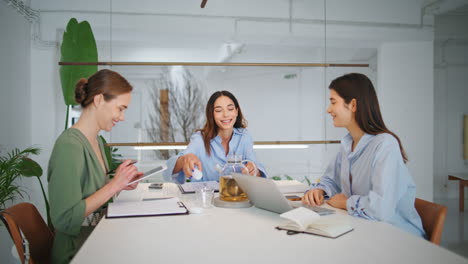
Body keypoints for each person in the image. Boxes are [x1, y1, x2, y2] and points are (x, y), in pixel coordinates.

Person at [302, 73, 425, 238]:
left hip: (396, 235)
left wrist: (346, 203)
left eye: (333, 102)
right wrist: (319, 190)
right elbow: (331, 179)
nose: (328, 109)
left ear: (352, 105)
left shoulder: (385, 145)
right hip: (364, 228)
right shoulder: (347, 145)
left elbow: (381, 208)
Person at [48, 69, 143, 263]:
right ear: (99, 100)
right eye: (120, 108)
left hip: (96, 237)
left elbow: (92, 190)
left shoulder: (97, 141)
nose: (122, 117)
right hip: (76, 251)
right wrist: (113, 186)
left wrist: (120, 183)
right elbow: (64, 218)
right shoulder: (69, 145)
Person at [163, 90, 266, 183]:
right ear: (211, 114)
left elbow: (256, 169)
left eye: (230, 109)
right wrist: (183, 160)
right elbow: (167, 170)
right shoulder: (200, 139)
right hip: (206, 200)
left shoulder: (244, 137)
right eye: (218, 110)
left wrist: (254, 171)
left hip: (235, 198)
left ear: (236, 112)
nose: (225, 114)